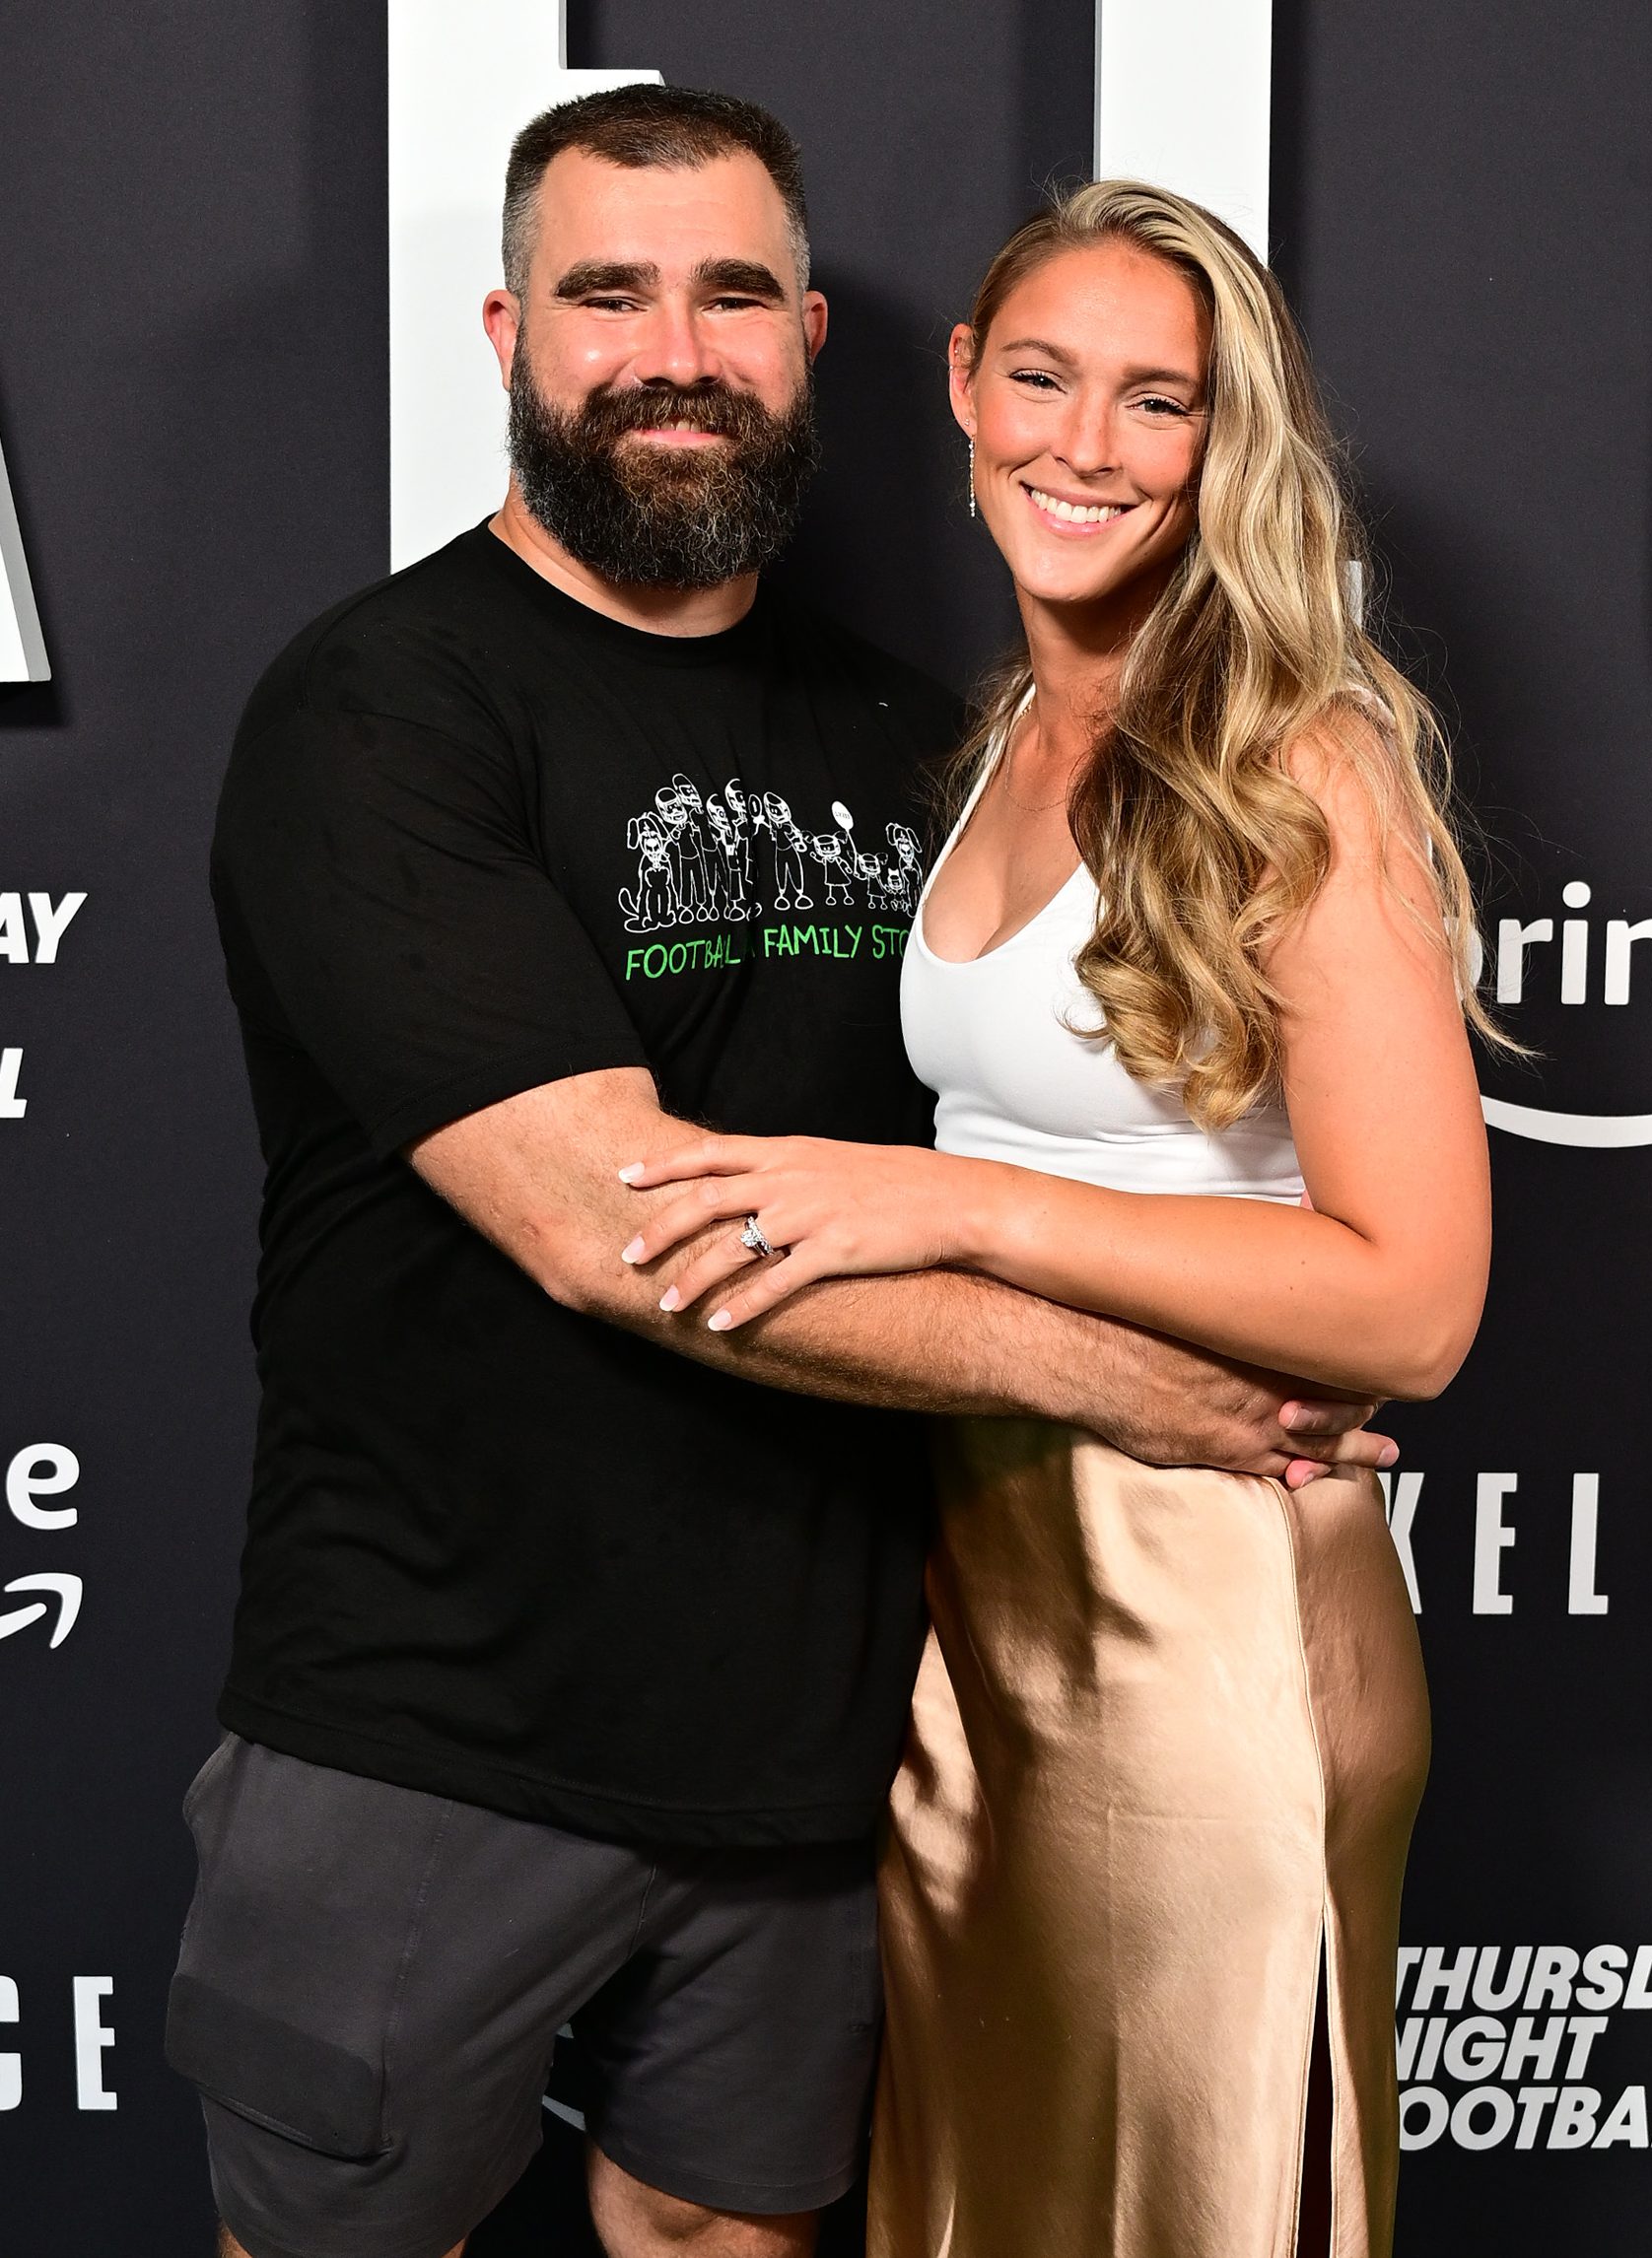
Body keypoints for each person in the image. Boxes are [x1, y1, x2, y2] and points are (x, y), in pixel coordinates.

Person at [166, 90, 1396, 2258]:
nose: (676, 346)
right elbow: (608, 1222)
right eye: (606, 294)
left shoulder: (926, 735)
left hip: (824, 1748)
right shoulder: (382, 714)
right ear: (505, 332)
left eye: (734, 293)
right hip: (437, 1725)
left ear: (817, 334)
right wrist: (1123, 1380)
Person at [622, 181, 1492, 2256]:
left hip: (1214, 1596)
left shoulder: (1302, 760)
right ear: (959, 386)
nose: (1084, 444)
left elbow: (1416, 1303)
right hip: (980, 1600)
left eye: (1156, 402)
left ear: (1226, 446)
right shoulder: (1008, 730)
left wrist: (949, 1210)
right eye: (1042, 377)